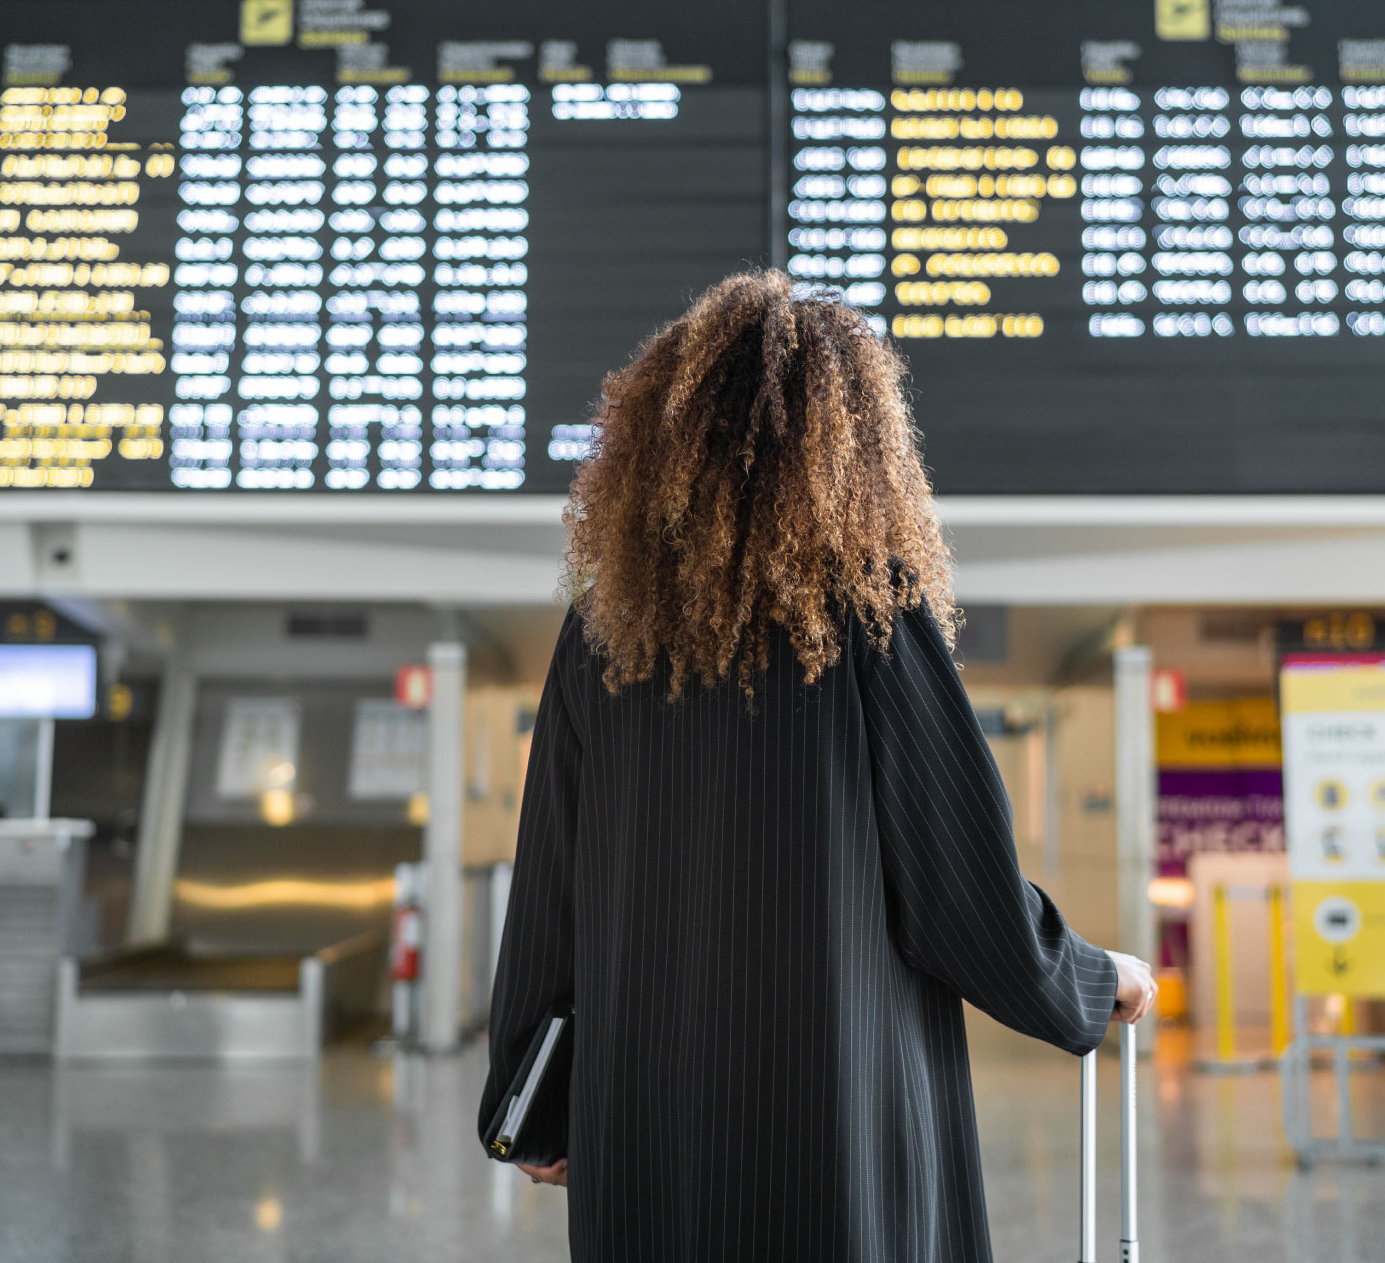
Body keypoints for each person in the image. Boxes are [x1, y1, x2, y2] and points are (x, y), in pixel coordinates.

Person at [479, 271, 1154, 1262]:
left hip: (645, 1124)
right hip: (838, 1119)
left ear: (661, 447)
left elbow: (549, 886)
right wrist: (1093, 981)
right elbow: (958, 891)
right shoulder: (868, 612)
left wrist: (528, 1096)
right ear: (857, 448)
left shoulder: (603, 631)